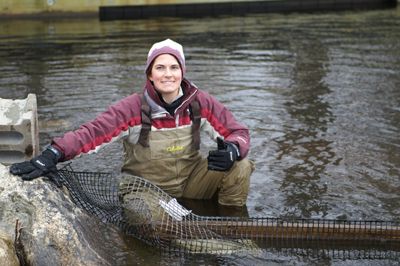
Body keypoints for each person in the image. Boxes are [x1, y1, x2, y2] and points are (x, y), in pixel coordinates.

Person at [9, 39, 255, 214]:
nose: (168, 74)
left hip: (191, 182)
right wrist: (54, 153)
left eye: (174, 67)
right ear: (150, 74)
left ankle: (230, 222)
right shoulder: (131, 108)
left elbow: (238, 132)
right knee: (152, 222)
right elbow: (92, 134)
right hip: (145, 189)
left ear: (182, 71)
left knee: (241, 166)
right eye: (160, 68)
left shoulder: (200, 102)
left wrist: (233, 149)